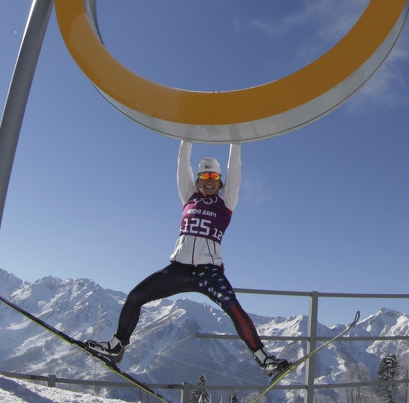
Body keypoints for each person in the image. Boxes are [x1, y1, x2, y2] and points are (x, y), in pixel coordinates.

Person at [85, 140, 290, 376]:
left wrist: (236, 139)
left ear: (220, 181)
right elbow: (183, 163)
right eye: (204, 177)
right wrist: (186, 137)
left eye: (214, 178)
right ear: (198, 180)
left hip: (209, 273)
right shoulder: (188, 196)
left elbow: (236, 170)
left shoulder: (227, 200)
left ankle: (263, 359)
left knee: (233, 307)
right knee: (135, 296)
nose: (209, 181)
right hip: (178, 269)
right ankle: (116, 346)